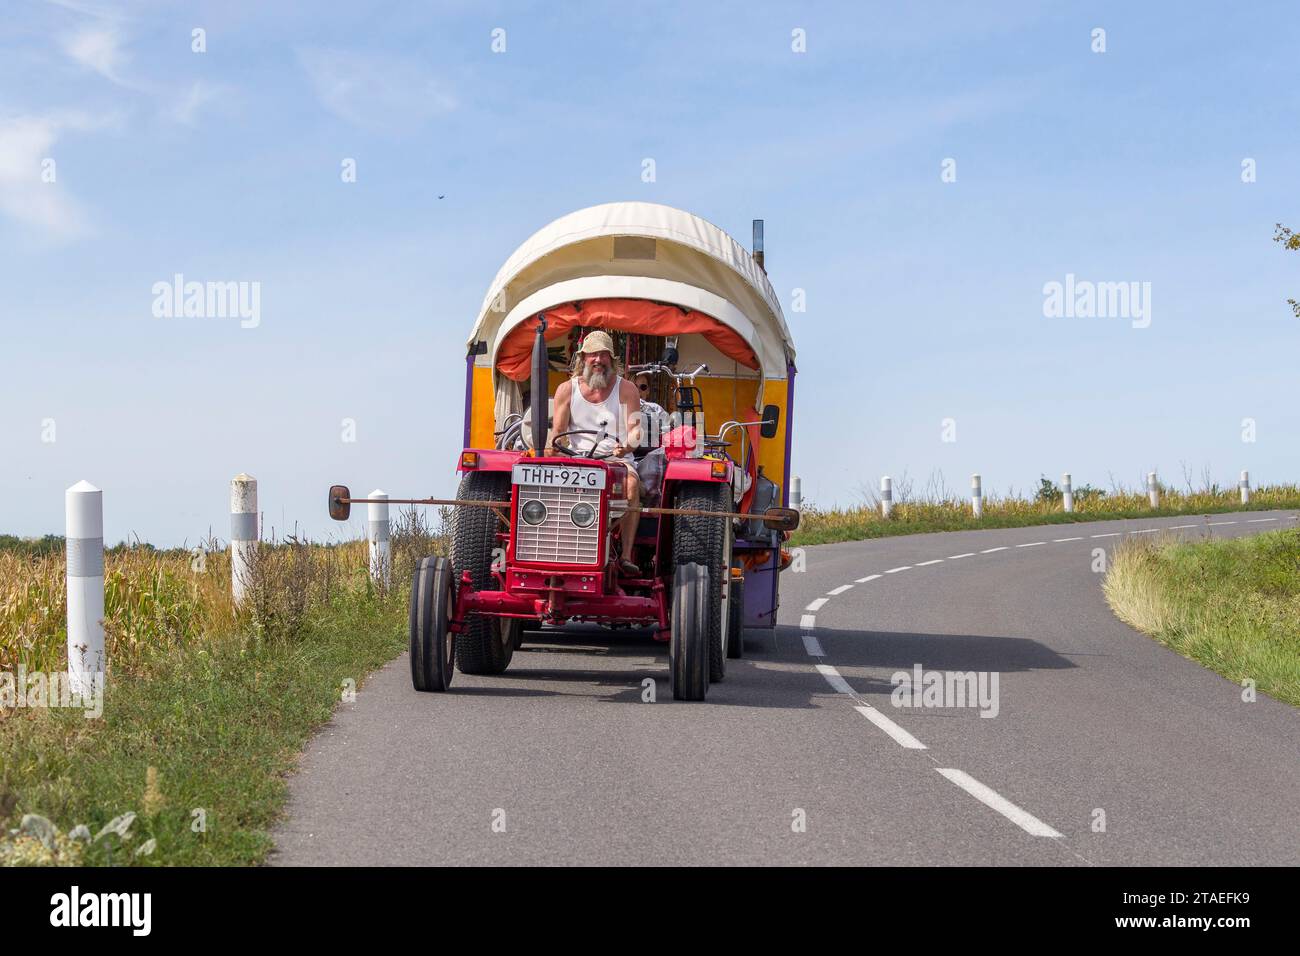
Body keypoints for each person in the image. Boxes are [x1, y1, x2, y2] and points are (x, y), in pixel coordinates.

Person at [546, 331, 643, 576]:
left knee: (631, 484)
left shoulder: (627, 389)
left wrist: (627, 446)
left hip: (615, 460)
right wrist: (550, 450)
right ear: (583, 358)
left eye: (603, 354)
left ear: (612, 359)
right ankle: (553, 546)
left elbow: (636, 431)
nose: (598, 360)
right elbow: (557, 431)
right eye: (593, 355)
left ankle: (626, 555)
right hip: (576, 460)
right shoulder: (567, 390)